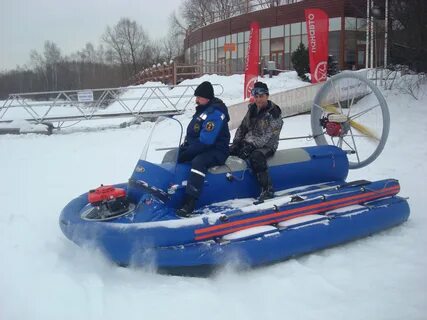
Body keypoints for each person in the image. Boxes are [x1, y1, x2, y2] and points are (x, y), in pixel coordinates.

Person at [177, 81, 231, 217]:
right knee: (175, 155)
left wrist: (189, 153)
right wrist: (185, 148)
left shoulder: (215, 113)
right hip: (203, 147)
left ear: (206, 98)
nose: (196, 100)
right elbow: (194, 133)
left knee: (198, 162)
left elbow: (207, 140)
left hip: (217, 150)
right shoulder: (203, 110)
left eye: (199, 97)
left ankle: (190, 202)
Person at [230, 81, 283, 201]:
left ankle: (267, 189)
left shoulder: (274, 113)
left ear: (267, 96)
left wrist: (251, 146)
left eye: (261, 96)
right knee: (232, 151)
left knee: (256, 157)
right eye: (256, 97)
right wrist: (236, 143)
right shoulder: (252, 109)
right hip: (250, 141)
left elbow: (268, 135)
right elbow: (243, 127)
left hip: (267, 145)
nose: (259, 100)